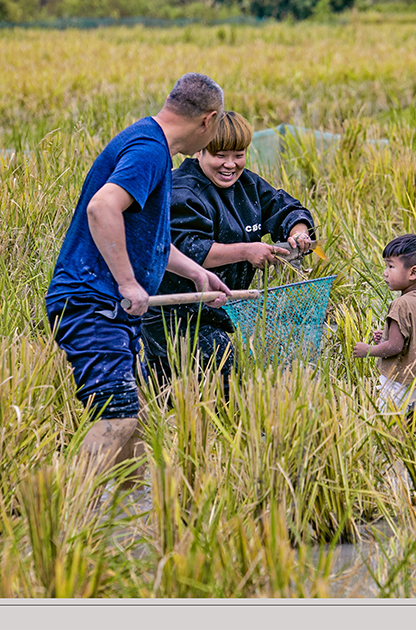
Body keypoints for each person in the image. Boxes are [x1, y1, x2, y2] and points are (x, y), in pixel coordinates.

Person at [45, 72, 232, 477]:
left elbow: (148, 239)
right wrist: (128, 283)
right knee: (118, 415)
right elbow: (102, 208)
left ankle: (121, 522)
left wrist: (197, 272)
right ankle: (64, 513)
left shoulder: (150, 144)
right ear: (208, 120)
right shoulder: (149, 149)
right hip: (93, 302)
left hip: (113, 308)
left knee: (139, 424)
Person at [141, 111, 315, 399]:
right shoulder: (183, 191)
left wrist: (299, 231)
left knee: (172, 395)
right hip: (174, 314)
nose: (230, 165)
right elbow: (188, 251)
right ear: (199, 150)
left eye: (239, 155)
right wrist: (246, 251)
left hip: (216, 310)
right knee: (224, 379)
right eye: (220, 155)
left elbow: (282, 207)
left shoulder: (248, 184)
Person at [352, 234, 416, 441]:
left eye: (391, 267)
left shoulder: (400, 304)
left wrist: (369, 351)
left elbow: (395, 346)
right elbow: (415, 338)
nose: (385, 273)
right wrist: (383, 339)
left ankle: (391, 466)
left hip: (398, 380)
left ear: (413, 272)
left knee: (388, 431)